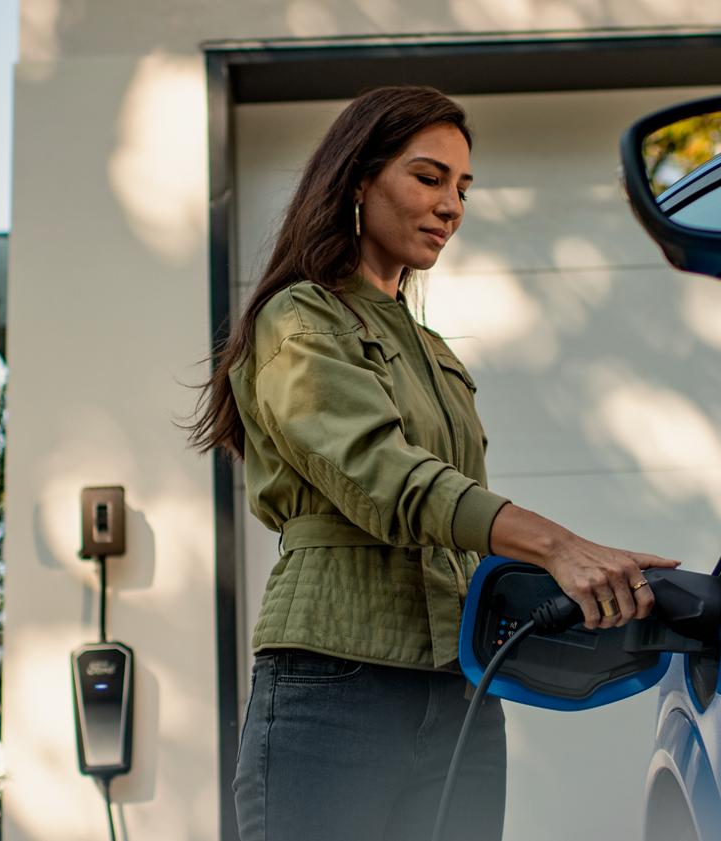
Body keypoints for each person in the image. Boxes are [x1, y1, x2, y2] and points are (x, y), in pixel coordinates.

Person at [185, 85, 681, 841]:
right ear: (357, 181)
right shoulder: (301, 318)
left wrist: (588, 582)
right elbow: (387, 479)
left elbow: (457, 511)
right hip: (333, 689)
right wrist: (558, 545)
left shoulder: (434, 351)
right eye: (428, 178)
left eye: (463, 187)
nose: (452, 205)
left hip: (460, 691)